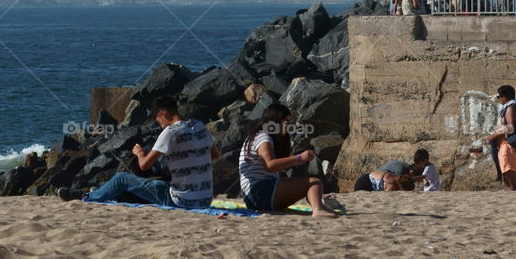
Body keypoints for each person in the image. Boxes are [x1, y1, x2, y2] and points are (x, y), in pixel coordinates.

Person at [62, 96, 218, 208]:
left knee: (121, 179)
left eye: (158, 120)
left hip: (181, 201)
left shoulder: (170, 132)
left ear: (163, 113)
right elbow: (215, 155)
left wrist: (139, 152)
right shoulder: (199, 126)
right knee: (158, 183)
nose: (160, 125)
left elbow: (144, 165)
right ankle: (102, 192)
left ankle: (86, 197)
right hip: (205, 200)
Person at [239, 103, 337, 217]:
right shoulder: (263, 137)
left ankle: (319, 206)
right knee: (314, 182)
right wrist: (300, 157)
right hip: (258, 192)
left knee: (311, 187)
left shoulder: (262, 136)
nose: (289, 125)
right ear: (276, 121)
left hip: (256, 196)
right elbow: (269, 165)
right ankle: (318, 209)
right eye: (286, 121)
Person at [486, 85, 516, 191]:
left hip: (508, 146)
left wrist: (493, 136)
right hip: (508, 145)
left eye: (499, 97)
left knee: (509, 176)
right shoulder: (510, 107)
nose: (499, 99)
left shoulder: (510, 108)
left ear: (504, 97)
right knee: (510, 178)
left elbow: (510, 128)